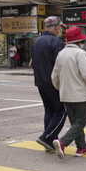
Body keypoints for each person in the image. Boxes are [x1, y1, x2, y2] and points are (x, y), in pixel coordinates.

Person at [51, 26, 86, 159]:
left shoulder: (61, 54)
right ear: (79, 41)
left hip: (65, 95)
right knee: (82, 120)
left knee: (75, 122)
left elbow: (54, 76)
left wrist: (61, 88)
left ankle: (81, 148)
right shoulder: (80, 54)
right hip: (79, 95)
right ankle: (62, 142)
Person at [32, 17, 67, 152]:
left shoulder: (37, 41)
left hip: (40, 82)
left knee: (49, 111)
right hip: (53, 83)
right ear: (55, 27)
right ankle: (46, 137)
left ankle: (50, 142)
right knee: (61, 111)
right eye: (59, 27)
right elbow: (61, 64)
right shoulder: (56, 42)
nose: (60, 30)